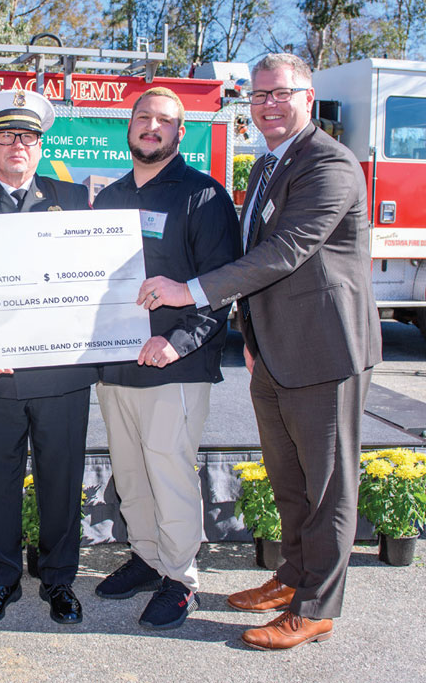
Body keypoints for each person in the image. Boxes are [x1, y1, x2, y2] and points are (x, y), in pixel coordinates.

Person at [140, 53, 381, 650]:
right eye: (260, 94)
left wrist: (188, 290)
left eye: (281, 93)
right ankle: (294, 577)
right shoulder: (272, 163)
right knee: (290, 480)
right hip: (275, 350)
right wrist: (249, 334)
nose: (269, 103)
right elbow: (262, 259)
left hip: (326, 351)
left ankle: (317, 607)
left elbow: (284, 252)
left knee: (327, 485)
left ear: (309, 96)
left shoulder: (329, 164)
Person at [0, 89, 97, 626]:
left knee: (61, 482)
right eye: (6, 135)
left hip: (61, 377)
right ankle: (1, 580)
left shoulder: (74, 199)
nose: (18, 145)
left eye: (28, 136)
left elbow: (91, 281)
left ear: (40, 145)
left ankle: (59, 583)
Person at [91, 87, 240, 629]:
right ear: (128, 127)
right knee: (129, 474)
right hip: (116, 367)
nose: (151, 126)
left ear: (180, 133)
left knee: (169, 470)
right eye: (143, 117)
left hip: (173, 366)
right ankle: (149, 558)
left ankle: (181, 578)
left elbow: (221, 286)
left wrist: (175, 341)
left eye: (164, 120)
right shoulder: (108, 199)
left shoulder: (203, 197)